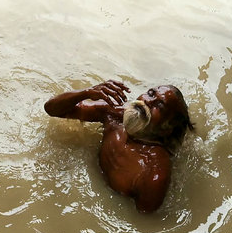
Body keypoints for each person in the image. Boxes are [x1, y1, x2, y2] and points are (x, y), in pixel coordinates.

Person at [44, 80, 194, 213]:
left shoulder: (154, 173)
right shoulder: (114, 113)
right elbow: (52, 109)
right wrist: (87, 92)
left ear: (166, 128)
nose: (148, 101)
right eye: (150, 93)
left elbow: (144, 220)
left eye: (159, 105)